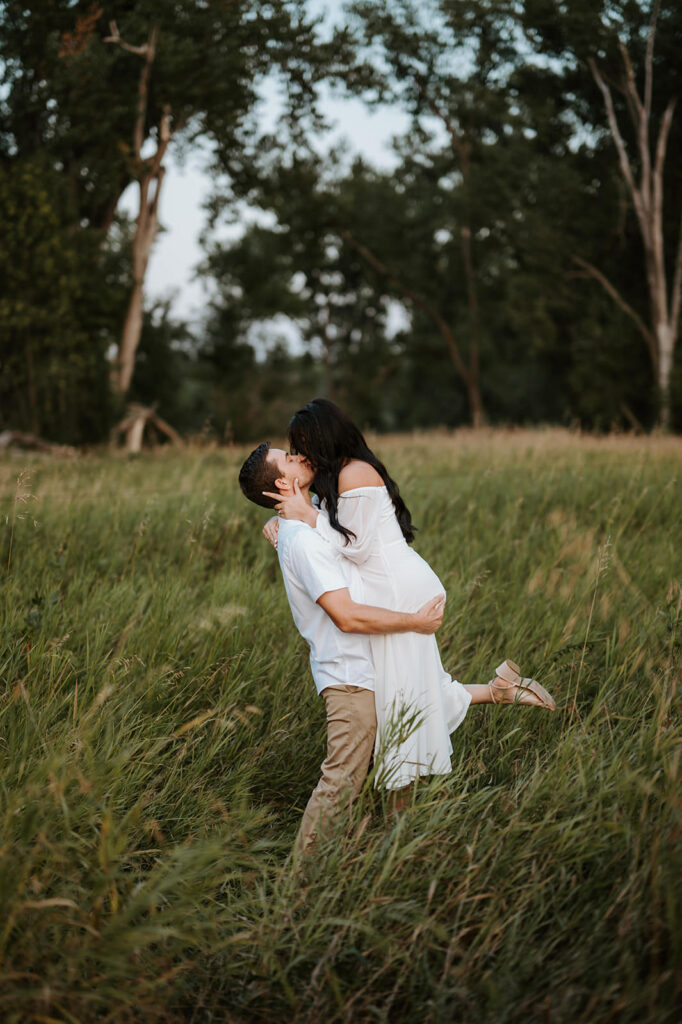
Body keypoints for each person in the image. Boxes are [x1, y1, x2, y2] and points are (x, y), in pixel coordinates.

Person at [263, 398, 555, 801]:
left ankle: (405, 806)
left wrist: (307, 518)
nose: (301, 455)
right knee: (407, 687)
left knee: (401, 694)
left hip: (396, 586)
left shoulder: (356, 472)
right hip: (383, 584)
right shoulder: (336, 477)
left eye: (302, 445)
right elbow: (335, 522)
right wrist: (284, 515)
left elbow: (357, 547)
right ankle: (499, 690)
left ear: (323, 436)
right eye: (294, 451)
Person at [238, 441, 447, 856]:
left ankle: (376, 864)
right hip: (350, 680)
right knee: (340, 785)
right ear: (284, 481)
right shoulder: (302, 541)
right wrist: (416, 622)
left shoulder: (309, 518)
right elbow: (346, 615)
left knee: (380, 778)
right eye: (291, 458)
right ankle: (298, 894)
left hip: (367, 670)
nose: (301, 455)